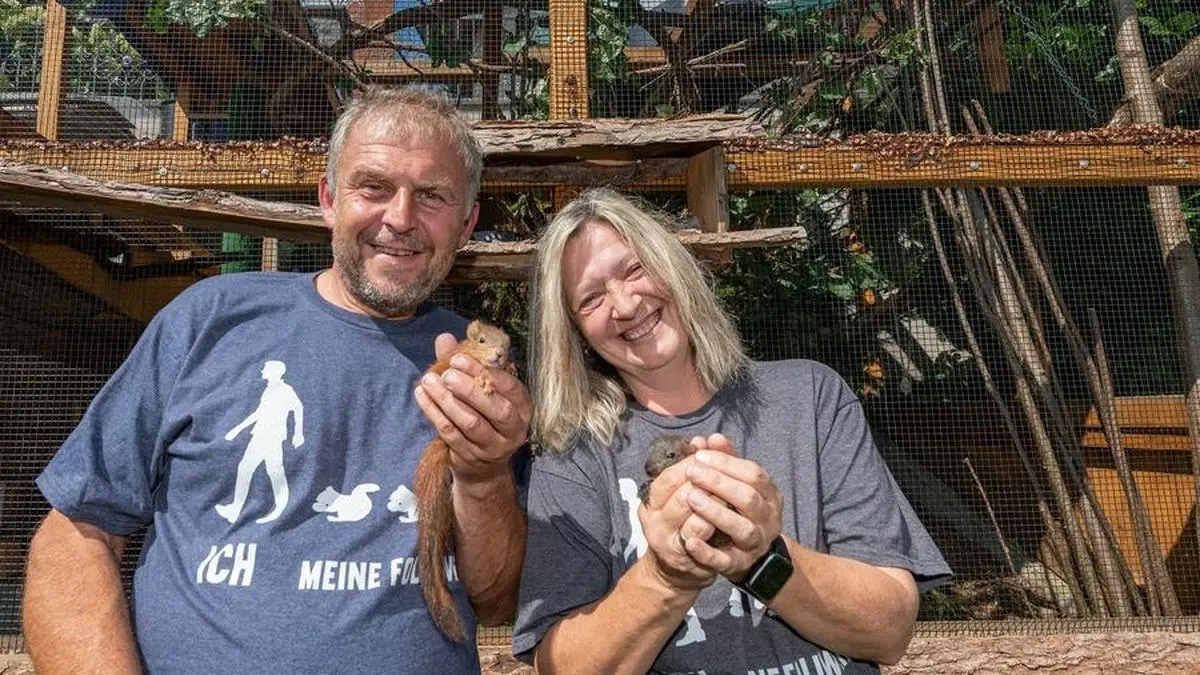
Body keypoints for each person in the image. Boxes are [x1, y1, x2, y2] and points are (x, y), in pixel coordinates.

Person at [22, 86, 531, 673]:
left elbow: (496, 602)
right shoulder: (209, 320)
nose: (400, 218)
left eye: (433, 196)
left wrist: (486, 474)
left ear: (466, 224)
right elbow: (77, 525)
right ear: (328, 200)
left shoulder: (483, 378)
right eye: (374, 187)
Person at [513, 188, 951, 674]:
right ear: (575, 333)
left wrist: (762, 557)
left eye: (634, 269)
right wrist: (667, 575)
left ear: (672, 266)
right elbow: (561, 668)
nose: (624, 304)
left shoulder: (808, 396)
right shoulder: (573, 454)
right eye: (591, 298)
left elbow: (890, 630)